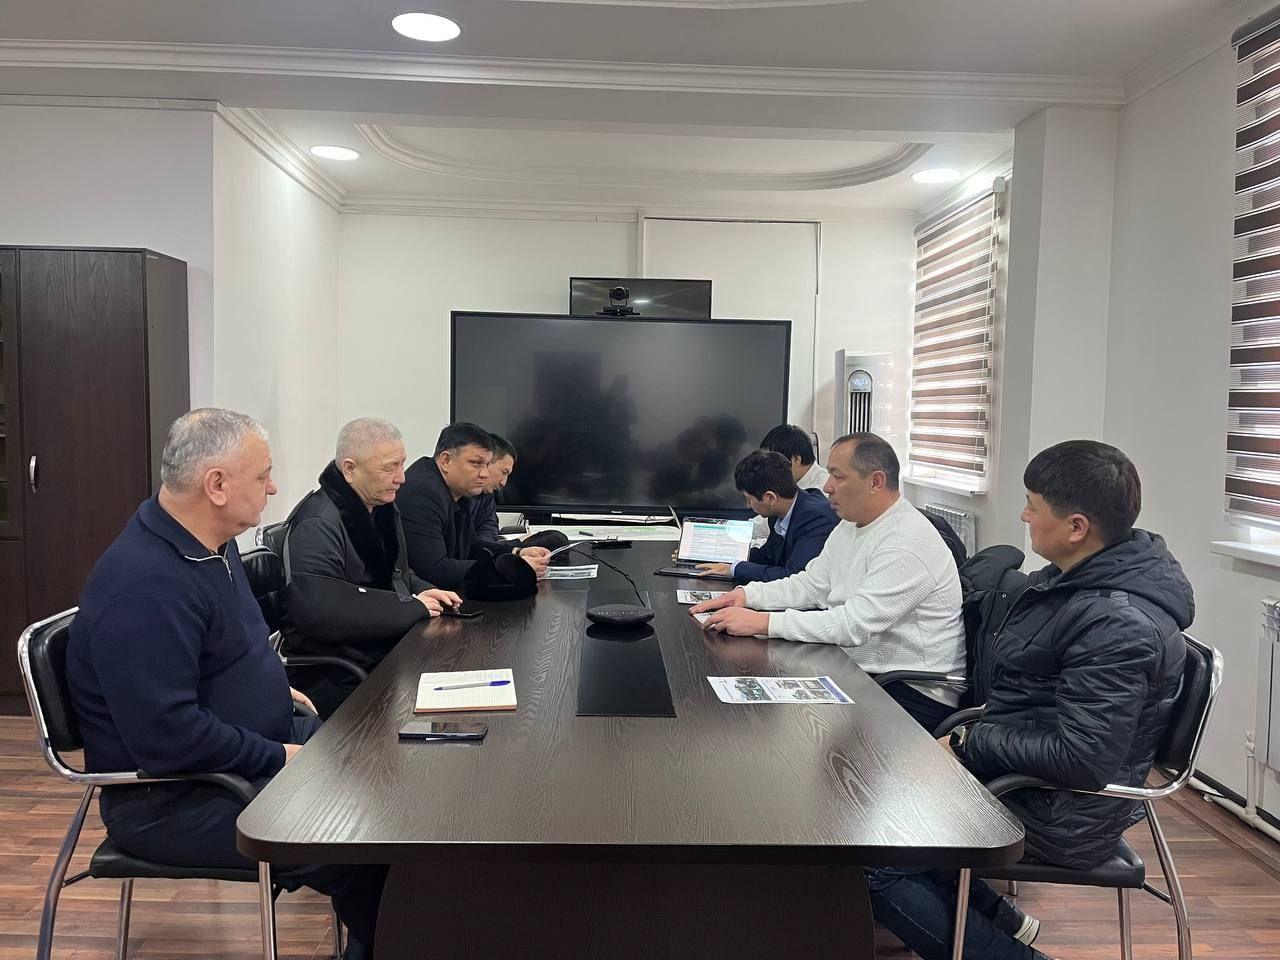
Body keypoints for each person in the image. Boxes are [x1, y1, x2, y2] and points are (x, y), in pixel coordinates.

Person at [65, 409, 386, 959]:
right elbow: (167, 738)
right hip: (177, 798)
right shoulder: (144, 589)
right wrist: (275, 755)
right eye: (262, 475)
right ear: (216, 485)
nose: (273, 487)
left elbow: (226, 649)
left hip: (248, 753)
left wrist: (273, 686)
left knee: (388, 788)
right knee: (362, 838)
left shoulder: (211, 543)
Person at [866, 440, 1191, 960]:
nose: (1023, 516)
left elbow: (1082, 758)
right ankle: (1004, 921)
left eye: (1032, 506)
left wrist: (970, 744)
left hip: (1062, 810)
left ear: (1077, 527)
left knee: (873, 861)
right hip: (1026, 782)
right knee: (873, 804)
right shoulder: (1074, 584)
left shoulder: (1117, 625)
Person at [690, 432, 964, 731]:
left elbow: (854, 624)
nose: (827, 486)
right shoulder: (851, 525)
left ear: (875, 481)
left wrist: (764, 622)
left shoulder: (906, 542)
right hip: (858, 666)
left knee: (781, 726)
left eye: (838, 476)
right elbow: (812, 584)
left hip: (909, 691)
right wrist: (747, 596)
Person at [281, 417, 460, 717]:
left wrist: (430, 593)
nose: (401, 478)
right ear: (350, 469)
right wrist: (411, 606)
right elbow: (323, 613)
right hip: (338, 672)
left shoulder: (382, 509)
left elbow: (399, 575)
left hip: (381, 649)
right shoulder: (318, 524)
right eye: (390, 468)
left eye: (402, 464)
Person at [399, 422, 550, 590]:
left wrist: (517, 553)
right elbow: (436, 571)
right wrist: (512, 570)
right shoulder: (423, 492)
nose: (484, 474)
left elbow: (469, 546)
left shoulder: (460, 491)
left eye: (487, 464)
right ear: (446, 461)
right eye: (476, 463)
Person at [693, 449, 838, 585]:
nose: (748, 505)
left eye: (749, 498)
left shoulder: (817, 518)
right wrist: (718, 555)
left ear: (770, 498)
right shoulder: (779, 512)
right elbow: (768, 556)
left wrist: (734, 569)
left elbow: (793, 576)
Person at [754, 424, 830, 539]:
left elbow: (767, 528)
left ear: (796, 459)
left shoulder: (822, 490)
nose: (768, 469)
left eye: (774, 462)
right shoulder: (791, 482)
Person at [472, 432, 516, 543]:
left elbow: (489, 525)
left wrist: (483, 547)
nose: (504, 483)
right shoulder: (440, 493)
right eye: (504, 472)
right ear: (487, 462)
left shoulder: (486, 493)